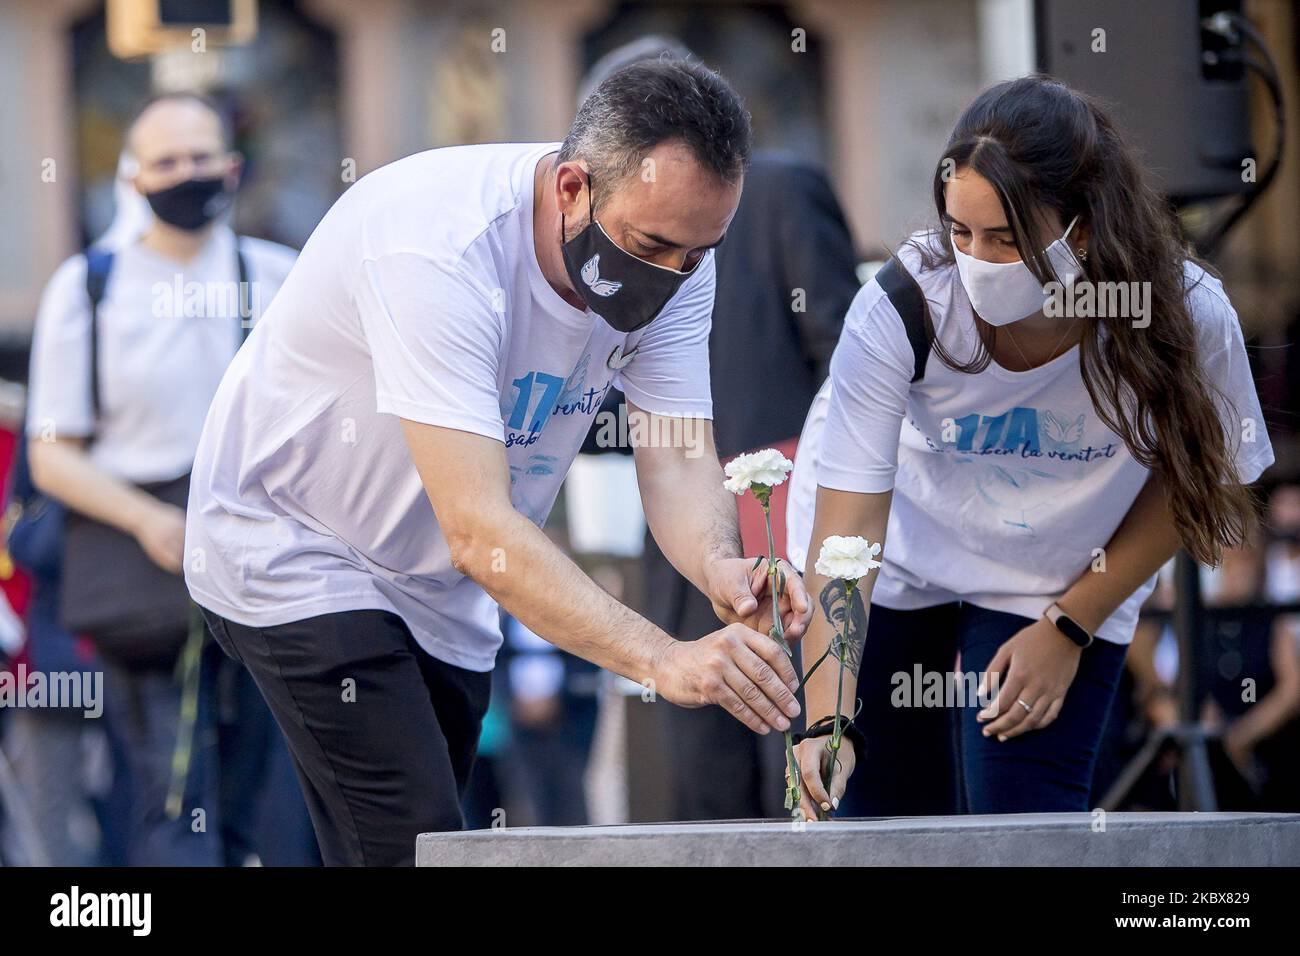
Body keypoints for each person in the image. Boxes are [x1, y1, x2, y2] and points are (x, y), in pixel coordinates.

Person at [185, 58, 812, 866]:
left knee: (436, 841)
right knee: (411, 840)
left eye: (700, 252)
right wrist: (666, 658)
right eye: (653, 246)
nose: (676, 277)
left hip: (441, 589)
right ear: (573, 187)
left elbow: (677, 455)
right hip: (293, 544)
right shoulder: (436, 244)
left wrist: (723, 568)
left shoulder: (681, 250)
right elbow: (479, 531)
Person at [788, 75, 1273, 819]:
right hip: (895, 559)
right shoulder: (900, 305)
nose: (977, 260)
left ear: (1082, 225)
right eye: (960, 232)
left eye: (1006, 239)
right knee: (881, 821)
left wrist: (1071, 623)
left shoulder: (1185, 313)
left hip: (1054, 576)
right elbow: (847, 533)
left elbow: (1196, 479)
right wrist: (827, 720)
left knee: (1025, 822)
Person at [575, 38, 860, 820]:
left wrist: (810, 495)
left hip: (783, 520)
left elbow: (850, 358)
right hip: (678, 519)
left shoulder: (781, 190)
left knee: (795, 740)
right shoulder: (601, 223)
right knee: (692, 752)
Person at [26, 93, 314, 864]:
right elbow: (51, 452)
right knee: (171, 781)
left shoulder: (279, 276)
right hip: (142, 577)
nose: (186, 174)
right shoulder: (88, 287)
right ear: (134, 176)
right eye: (166, 161)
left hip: (266, 564)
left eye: (201, 157)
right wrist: (148, 521)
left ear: (232, 165)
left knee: (266, 779)